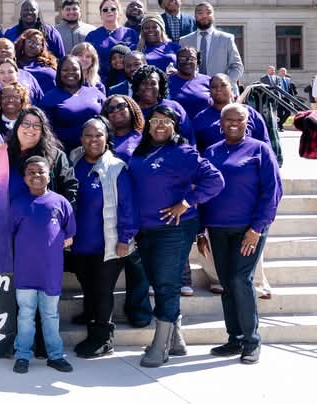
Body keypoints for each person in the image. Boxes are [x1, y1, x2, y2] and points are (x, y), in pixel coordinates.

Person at [128, 105, 224, 368]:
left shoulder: (183, 152)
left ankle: (160, 347)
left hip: (173, 229)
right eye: (155, 121)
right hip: (145, 230)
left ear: (175, 126)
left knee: (166, 285)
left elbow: (215, 180)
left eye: (166, 121)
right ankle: (176, 340)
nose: (159, 126)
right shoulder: (142, 151)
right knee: (159, 281)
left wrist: (187, 202)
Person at [199, 104, 282, 364]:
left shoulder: (260, 149)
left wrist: (257, 228)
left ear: (247, 123)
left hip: (249, 229)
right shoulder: (211, 152)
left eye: (239, 120)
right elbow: (202, 191)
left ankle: (251, 341)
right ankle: (234, 338)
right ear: (220, 124)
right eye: (228, 120)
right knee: (226, 283)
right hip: (218, 228)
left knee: (240, 280)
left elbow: (273, 192)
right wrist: (200, 229)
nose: (233, 124)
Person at [68, 118, 135, 358]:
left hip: (108, 244)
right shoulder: (73, 162)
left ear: (107, 138)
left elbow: (127, 207)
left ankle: (103, 338)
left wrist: (125, 238)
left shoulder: (117, 168)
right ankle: (91, 318)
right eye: (88, 135)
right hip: (80, 243)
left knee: (103, 290)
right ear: (81, 138)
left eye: (98, 135)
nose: (93, 140)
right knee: (88, 286)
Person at [11, 155, 75, 375]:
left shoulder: (61, 202)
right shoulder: (18, 204)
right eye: (31, 172)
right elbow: (9, 234)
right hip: (25, 271)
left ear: (50, 175)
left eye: (41, 171)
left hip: (50, 271)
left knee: (50, 314)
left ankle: (55, 356)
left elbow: (69, 234)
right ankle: (22, 355)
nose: (36, 176)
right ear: (25, 177)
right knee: (26, 314)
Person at [100, 94, 154, 328]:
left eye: (121, 106)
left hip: (138, 211)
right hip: (108, 210)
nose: (115, 111)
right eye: (110, 109)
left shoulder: (143, 139)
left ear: (132, 108)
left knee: (137, 265)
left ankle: (139, 309)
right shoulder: (103, 140)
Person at [5, 107, 77, 204]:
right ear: (17, 126)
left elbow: (70, 189)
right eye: (26, 123)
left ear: (43, 131)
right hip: (7, 215)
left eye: (37, 126)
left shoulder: (56, 157)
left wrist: (63, 216)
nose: (30, 128)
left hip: (43, 216)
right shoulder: (4, 153)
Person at [39, 56, 106, 152]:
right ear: (59, 73)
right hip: (66, 153)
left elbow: (108, 119)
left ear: (81, 71)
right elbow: (46, 131)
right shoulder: (49, 98)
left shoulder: (95, 92)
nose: (70, 72)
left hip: (98, 150)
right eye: (65, 70)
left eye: (75, 69)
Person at [193, 74, 270, 152]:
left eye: (223, 85)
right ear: (209, 92)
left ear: (232, 89)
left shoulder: (249, 113)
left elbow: (266, 145)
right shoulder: (200, 119)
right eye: (213, 87)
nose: (218, 89)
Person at [179, 2, 244, 86]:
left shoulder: (227, 39)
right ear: (195, 17)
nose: (204, 16)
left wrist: (224, 83)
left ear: (213, 16)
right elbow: (180, 67)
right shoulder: (184, 41)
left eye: (208, 12)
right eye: (200, 13)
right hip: (193, 89)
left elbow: (237, 67)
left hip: (219, 91)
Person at [131, 64, 195, 145]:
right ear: (137, 87)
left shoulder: (173, 107)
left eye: (153, 83)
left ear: (160, 87)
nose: (148, 87)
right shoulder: (131, 111)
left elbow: (189, 136)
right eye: (144, 83)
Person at [87, 0, 139, 79]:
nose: (109, 11)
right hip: (101, 81)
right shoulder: (92, 36)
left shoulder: (131, 33)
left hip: (127, 81)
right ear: (101, 14)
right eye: (105, 10)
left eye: (113, 9)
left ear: (119, 12)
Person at [167, 46, 212, 119]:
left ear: (198, 61)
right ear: (177, 62)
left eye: (191, 59)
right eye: (182, 59)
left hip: (204, 127)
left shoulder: (209, 80)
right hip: (177, 127)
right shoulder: (168, 81)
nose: (187, 62)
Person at [15, 29, 58, 95]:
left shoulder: (49, 63)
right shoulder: (15, 63)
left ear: (42, 47)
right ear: (23, 42)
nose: (33, 46)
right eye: (30, 42)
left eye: (37, 43)